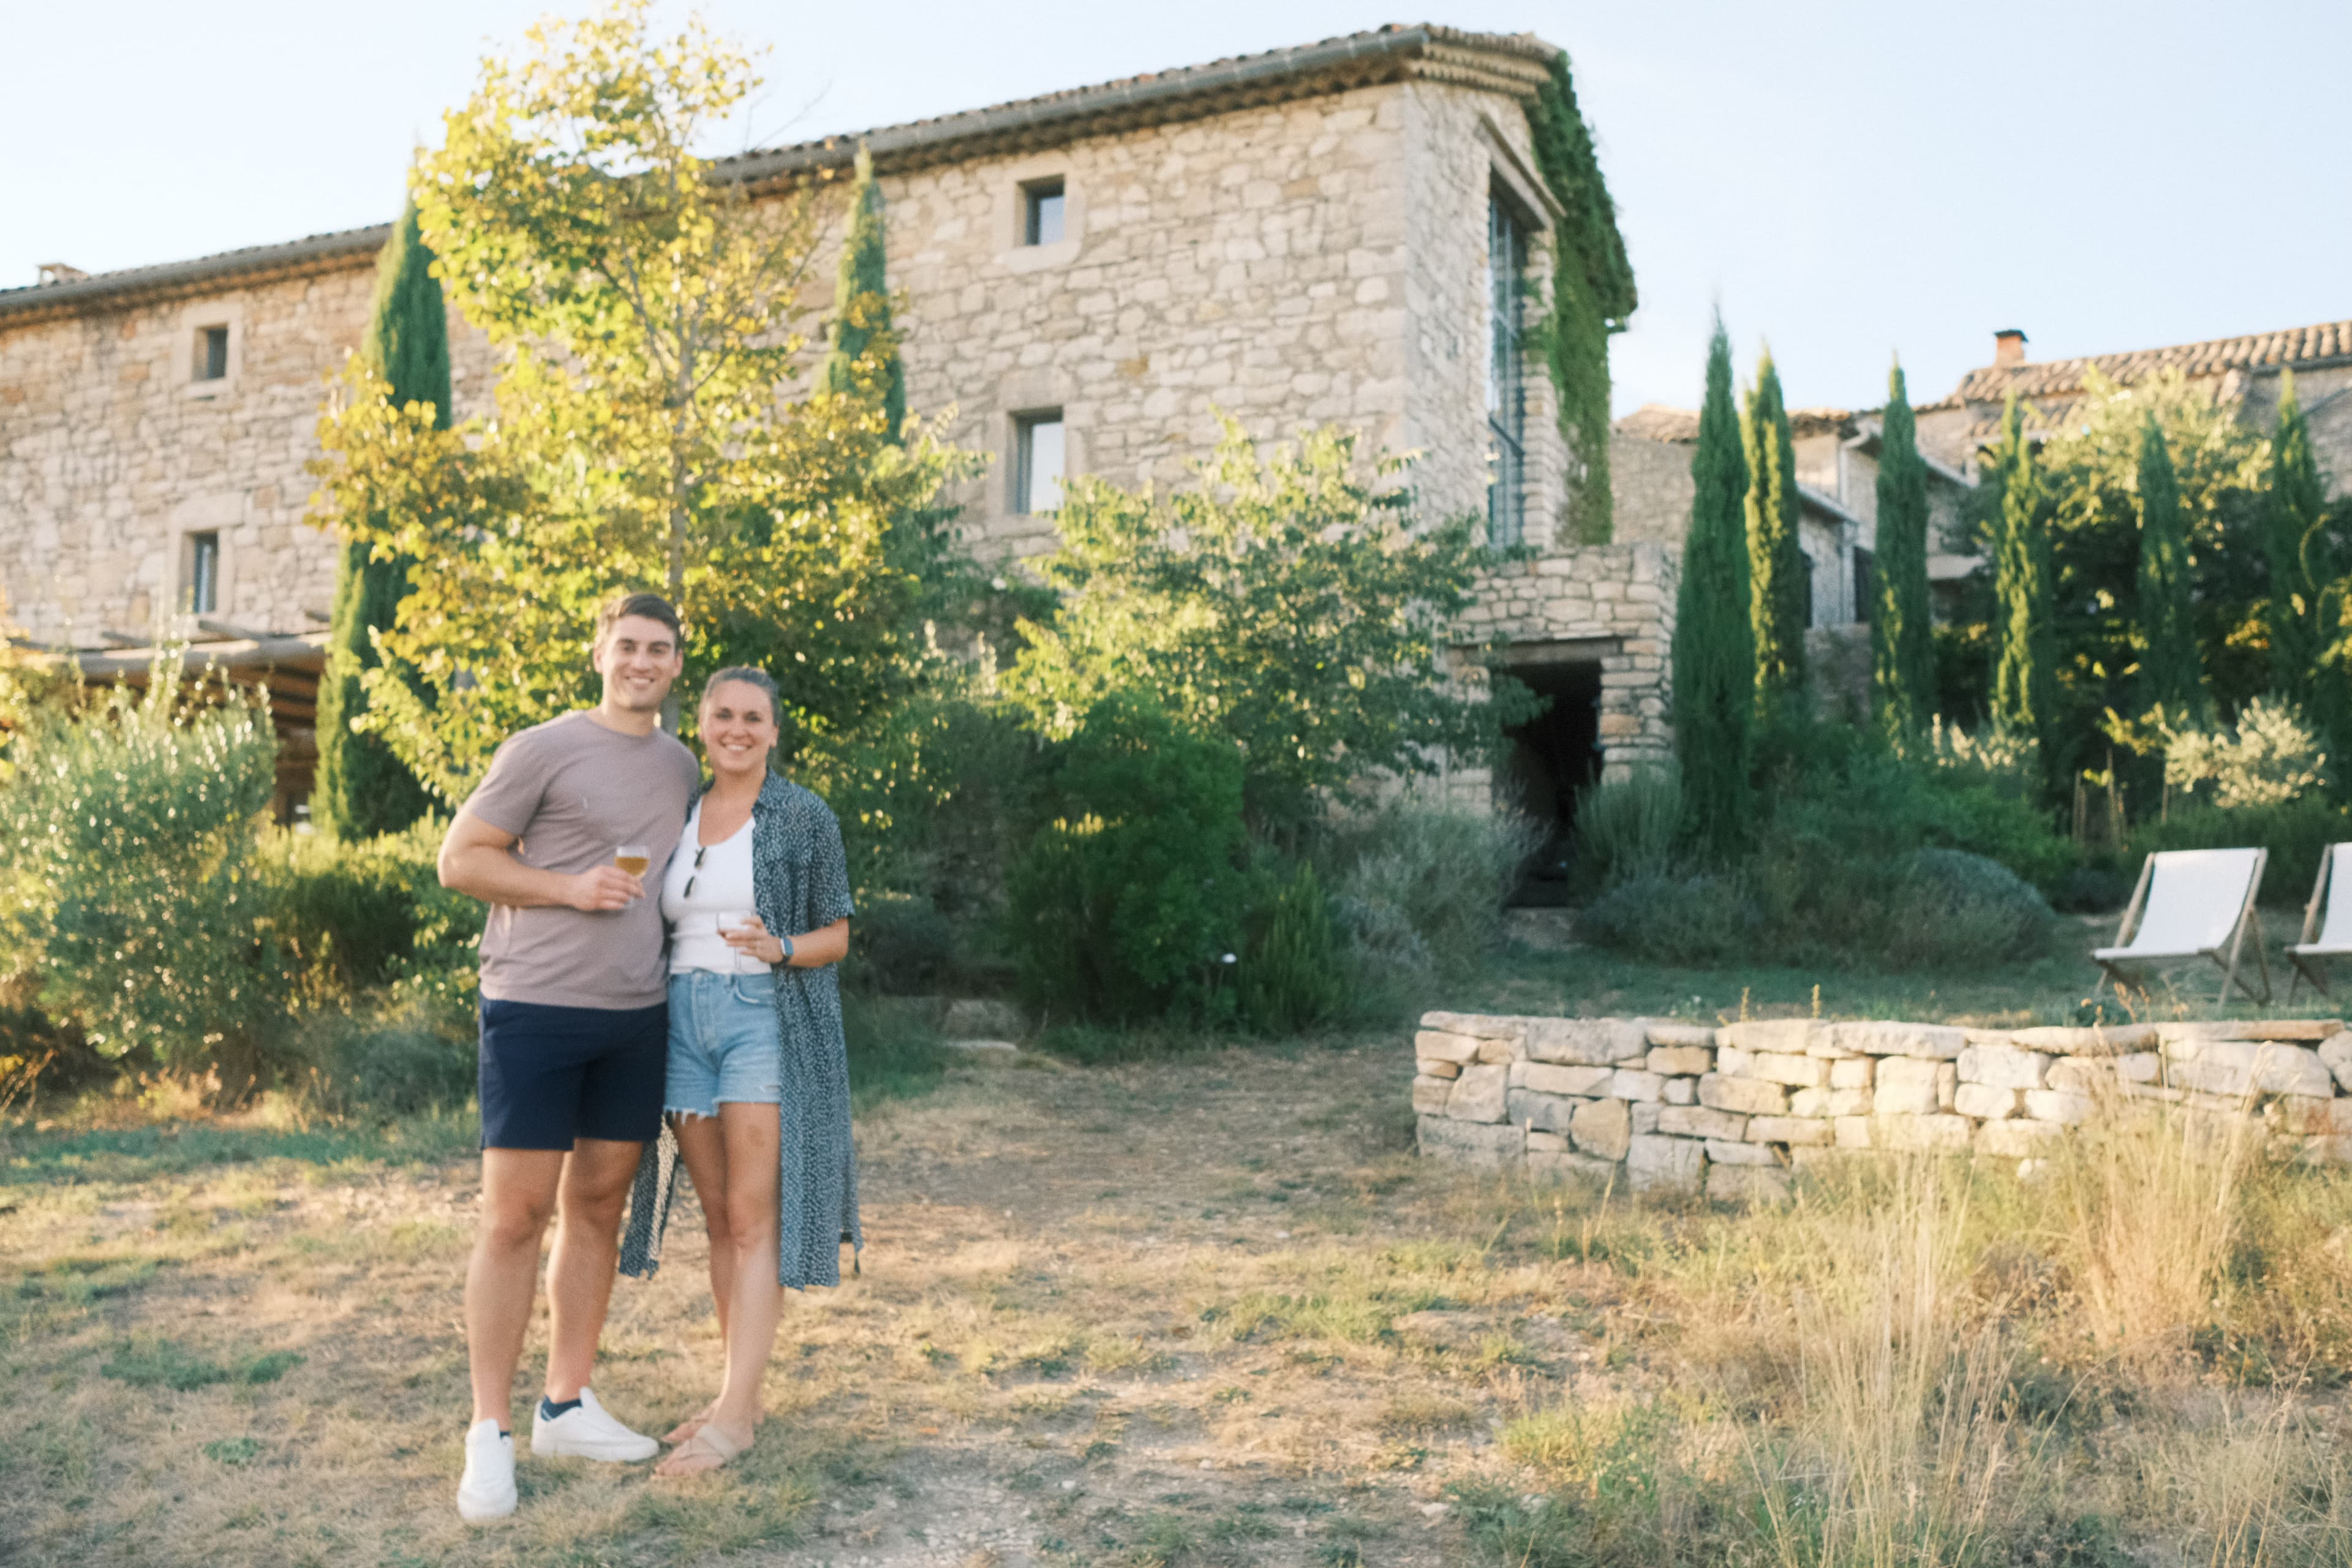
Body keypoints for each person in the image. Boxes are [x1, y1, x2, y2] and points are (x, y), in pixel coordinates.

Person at [440, 592, 700, 1525]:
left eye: (658, 649)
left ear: (676, 665)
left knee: (597, 1208)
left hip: (635, 1018)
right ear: (600, 652)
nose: (640, 661)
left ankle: (566, 1404)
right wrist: (562, 888)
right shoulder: (542, 746)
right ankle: (488, 1434)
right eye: (626, 645)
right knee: (514, 1220)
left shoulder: (679, 765)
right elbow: (461, 859)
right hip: (534, 1011)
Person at [617, 665, 860, 1476]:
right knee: (720, 1218)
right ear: (705, 725)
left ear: (774, 732)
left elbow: (838, 933)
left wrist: (782, 947)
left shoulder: (800, 815)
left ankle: (735, 1417)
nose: (737, 730)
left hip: (763, 1017)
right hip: (684, 1020)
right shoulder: (679, 811)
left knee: (756, 1219)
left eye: (754, 719)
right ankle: (740, 1397)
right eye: (723, 715)